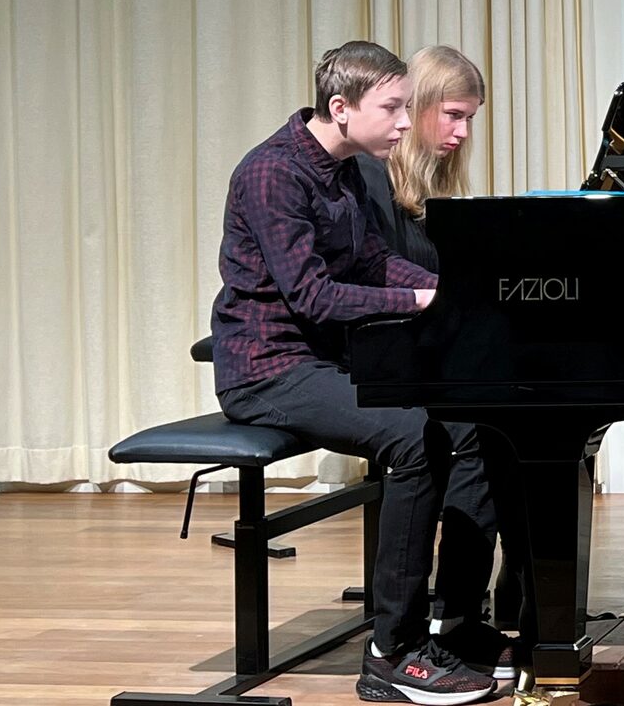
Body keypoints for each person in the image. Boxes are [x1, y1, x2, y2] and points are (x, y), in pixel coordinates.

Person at [209, 41, 498, 704]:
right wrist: (418, 300)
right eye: (393, 108)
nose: (406, 122)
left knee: (473, 425)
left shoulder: (343, 171)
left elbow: (373, 263)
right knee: (414, 436)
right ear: (340, 108)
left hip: (327, 361)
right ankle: (391, 651)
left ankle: (455, 624)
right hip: (268, 369)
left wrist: (457, 289)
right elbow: (312, 296)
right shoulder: (272, 173)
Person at [354, 45, 525, 672]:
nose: (462, 133)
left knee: (497, 424)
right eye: (453, 115)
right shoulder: (371, 179)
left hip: (421, 352)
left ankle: (463, 612)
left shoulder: (432, 192)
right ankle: (435, 620)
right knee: (473, 428)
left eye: (470, 119)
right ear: (419, 105)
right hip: (376, 357)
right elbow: (377, 287)